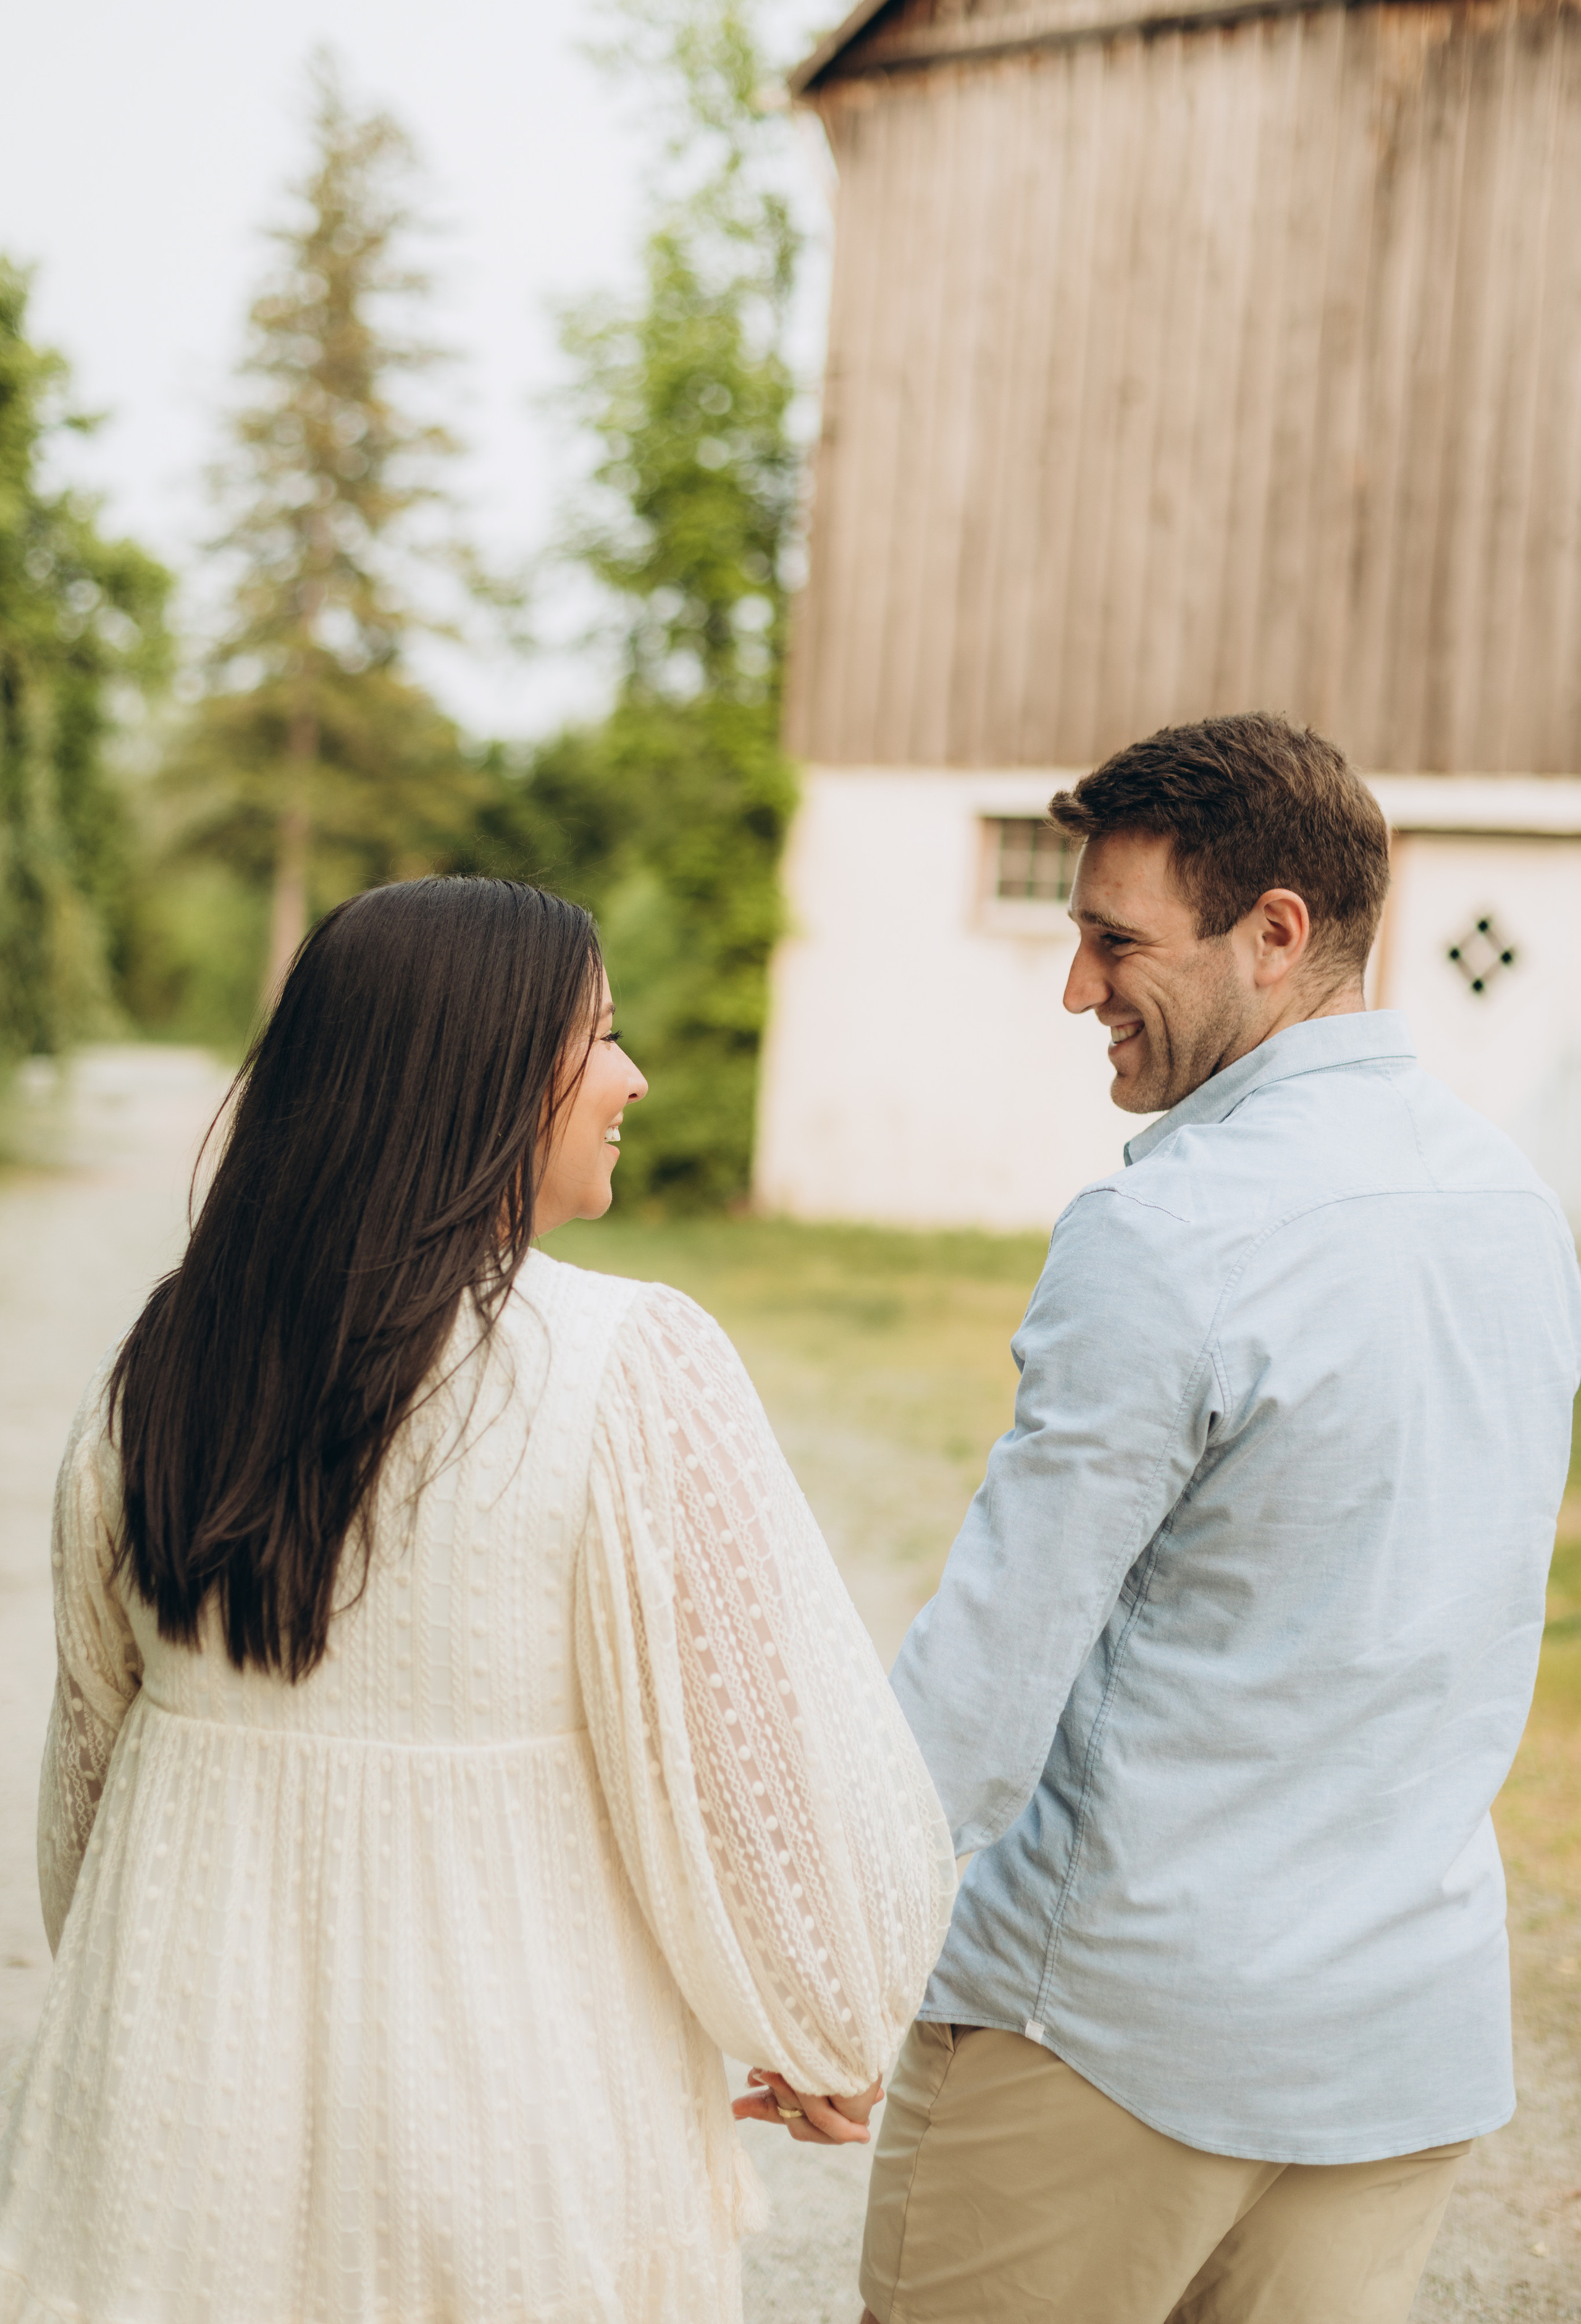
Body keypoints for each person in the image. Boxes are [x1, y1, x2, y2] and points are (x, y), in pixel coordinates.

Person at [0, 876, 955, 2324]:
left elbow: (87, 1791)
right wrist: (825, 2023)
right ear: (477, 1074)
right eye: (599, 1037)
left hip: (174, 2113)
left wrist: (155, 1993)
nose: (631, 1077)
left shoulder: (159, 1367)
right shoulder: (624, 1366)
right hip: (510, 2138)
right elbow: (754, 1777)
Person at [768, 714, 1579, 2323]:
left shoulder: (1169, 1230)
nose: (1078, 990)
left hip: (1111, 2040)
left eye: (1113, 940)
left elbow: (988, 1681)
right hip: (1395, 2046)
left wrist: (826, 1970)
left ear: (1275, 934)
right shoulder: (1512, 1208)